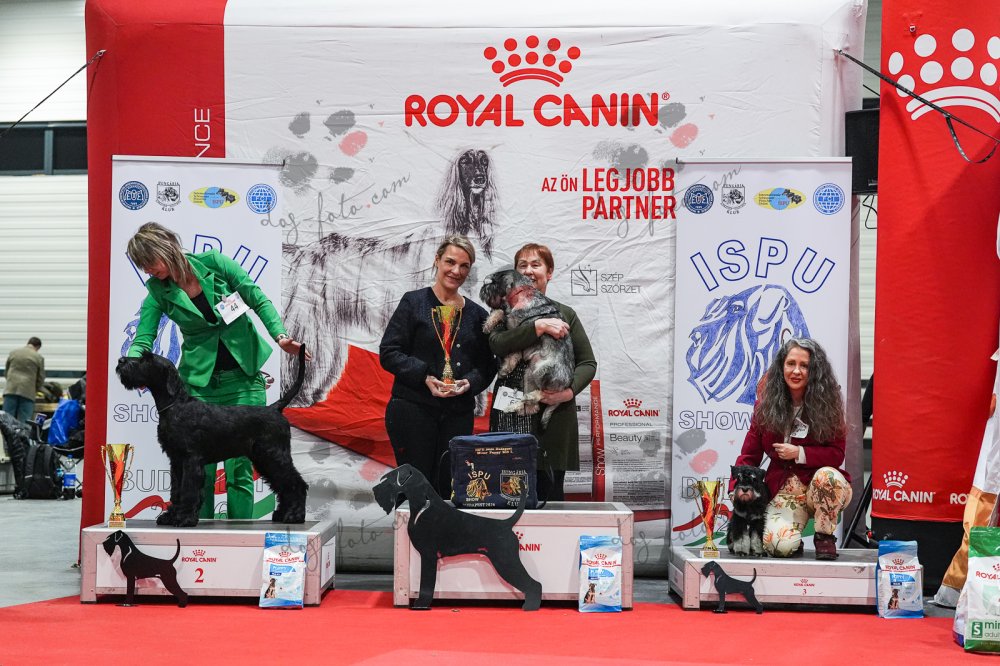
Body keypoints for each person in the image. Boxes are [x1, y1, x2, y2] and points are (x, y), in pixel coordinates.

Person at [125, 222, 309, 520]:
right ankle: (197, 532)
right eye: (142, 266)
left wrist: (280, 336)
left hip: (244, 377)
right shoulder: (158, 291)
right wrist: (132, 363)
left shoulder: (215, 263)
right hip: (200, 382)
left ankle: (242, 535)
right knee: (200, 469)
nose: (147, 270)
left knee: (240, 471)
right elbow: (144, 337)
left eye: (149, 261)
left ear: (167, 249)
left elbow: (256, 297)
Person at [379, 235, 497, 496]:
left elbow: (487, 366)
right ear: (437, 260)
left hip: (457, 415)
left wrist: (468, 383)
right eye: (450, 262)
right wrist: (424, 377)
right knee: (414, 490)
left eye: (464, 266)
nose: (456, 271)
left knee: (447, 490)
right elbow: (389, 352)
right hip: (412, 409)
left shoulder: (478, 315)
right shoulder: (413, 302)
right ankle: (410, 526)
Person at [487, 243, 597, 501]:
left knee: (550, 497)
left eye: (536, 265)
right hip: (510, 413)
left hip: (553, 419)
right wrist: (537, 326)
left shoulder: (566, 314)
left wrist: (567, 393)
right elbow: (497, 344)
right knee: (507, 496)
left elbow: (587, 363)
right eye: (522, 265)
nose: (528, 271)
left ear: (549, 273)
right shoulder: (502, 312)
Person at [733, 337, 852, 560]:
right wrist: (738, 487)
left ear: (814, 371)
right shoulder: (764, 405)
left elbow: (836, 455)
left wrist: (800, 453)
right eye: (790, 364)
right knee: (777, 546)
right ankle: (792, 538)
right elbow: (750, 454)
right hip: (785, 491)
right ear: (782, 367)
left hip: (822, 488)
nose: (796, 371)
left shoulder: (829, 404)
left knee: (827, 477)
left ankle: (824, 537)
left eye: (804, 365)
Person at [3, 337, 45, 423]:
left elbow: (6, 372)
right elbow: (41, 377)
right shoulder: (38, 357)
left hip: (10, 390)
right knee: (24, 421)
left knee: (6, 420)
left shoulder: (14, 353)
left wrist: (10, 382)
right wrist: (36, 389)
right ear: (38, 347)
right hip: (27, 392)